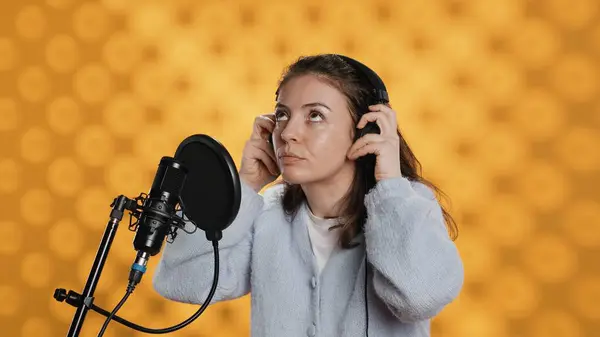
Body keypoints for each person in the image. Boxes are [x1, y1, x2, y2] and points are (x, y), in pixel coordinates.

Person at [153, 54, 464, 337]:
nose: (288, 133)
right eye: (283, 115)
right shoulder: (265, 217)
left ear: (365, 130)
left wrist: (390, 186)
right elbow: (181, 279)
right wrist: (244, 187)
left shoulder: (409, 206)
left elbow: (420, 298)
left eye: (315, 115)